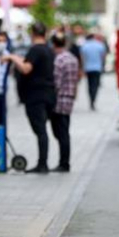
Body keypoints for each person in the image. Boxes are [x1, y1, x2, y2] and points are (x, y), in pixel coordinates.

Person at [4, 22, 56, 174]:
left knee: (40, 131)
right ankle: (43, 163)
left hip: (36, 96)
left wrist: (13, 57)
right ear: (45, 33)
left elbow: (26, 68)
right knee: (42, 130)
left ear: (33, 34)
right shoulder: (48, 50)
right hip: (48, 94)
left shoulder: (35, 50)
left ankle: (42, 164)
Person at [50, 33, 80, 172]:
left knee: (61, 133)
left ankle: (64, 163)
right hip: (69, 98)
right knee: (65, 131)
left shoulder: (58, 60)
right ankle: (64, 162)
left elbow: (56, 82)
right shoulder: (73, 58)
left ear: (54, 44)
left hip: (60, 99)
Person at [80, 33, 107, 110]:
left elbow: (82, 58)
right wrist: (102, 65)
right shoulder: (100, 45)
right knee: (96, 85)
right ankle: (93, 99)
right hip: (97, 68)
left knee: (89, 85)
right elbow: (103, 56)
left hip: (88, 68)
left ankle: (91, 99)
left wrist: (82, 68)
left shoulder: (84, 46)